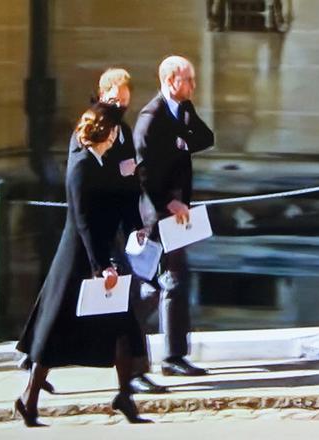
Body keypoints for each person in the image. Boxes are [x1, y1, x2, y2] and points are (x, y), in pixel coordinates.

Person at [18, 68, 168, 395]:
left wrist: (135, 227)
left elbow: (129, 185)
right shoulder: (88, 134)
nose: (119, 111)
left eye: (124, 104)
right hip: (87, 237)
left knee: (119, 308)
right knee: (60, 305)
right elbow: (83, 198)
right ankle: (35, 368)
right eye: (115, 102)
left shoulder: (123, 133)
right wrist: (100, 262)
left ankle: (128, 383)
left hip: (111, 232)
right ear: (102, 96)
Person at [133, 55, 215, 377]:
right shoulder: (150, 118)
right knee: (155, 286)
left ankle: (174, 356)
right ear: (171, 81)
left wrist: (183, 138)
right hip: (158, 213)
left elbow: (205, 138)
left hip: (178, 211)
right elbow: (142, 170)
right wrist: (169, 202)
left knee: (174, 282)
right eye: (189, 80)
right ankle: (127, 343)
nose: (194, 85)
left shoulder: (182, 110)